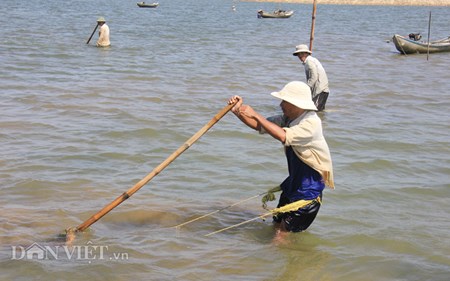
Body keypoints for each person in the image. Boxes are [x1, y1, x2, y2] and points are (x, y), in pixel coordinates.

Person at [228, 81, 334, 233]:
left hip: (309, 190)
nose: (281, 104)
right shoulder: (289, 118)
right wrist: (237, 111)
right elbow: (260, 126)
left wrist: (256, 114)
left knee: (282, 234)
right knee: (276, 224)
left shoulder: (311, 123)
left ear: (296, 104)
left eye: (285, 101)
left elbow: (283, 136)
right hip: (293, 183)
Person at [293, 44, 329, 111]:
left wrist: (306, 88)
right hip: (321, 90)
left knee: (314, 111)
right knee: (319, 112)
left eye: (302, 54)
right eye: (298, 54)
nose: (300, 56)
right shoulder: (310, 60)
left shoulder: (309, 61)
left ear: (306, 53)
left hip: (320, 90)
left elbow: (314, 77)